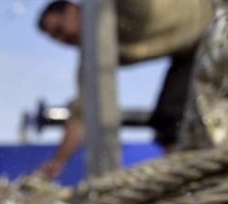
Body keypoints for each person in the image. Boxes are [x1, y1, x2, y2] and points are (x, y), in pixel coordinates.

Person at [35, 0, 213, 179]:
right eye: (55, 39)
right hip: (192, 51)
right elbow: (82, 116)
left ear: (74, 10)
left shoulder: (122, 6)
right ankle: (185, 183)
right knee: (169, 119)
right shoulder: (93, 57)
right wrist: (59, 161)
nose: (62, 39)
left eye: (59, 30)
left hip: (221, 16)